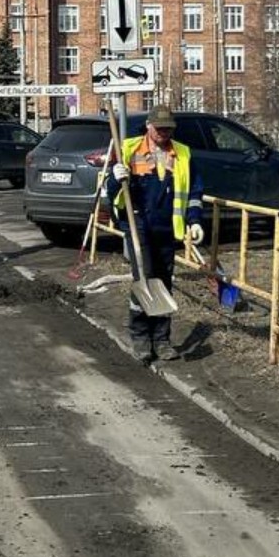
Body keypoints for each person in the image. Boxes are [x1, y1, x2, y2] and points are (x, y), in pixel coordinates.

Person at [108, 104, 204, 365]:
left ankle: (161, 339)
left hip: (166, 227)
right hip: (138, 222)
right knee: (145, 278)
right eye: (159, 128)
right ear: (149, 126)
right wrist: (116, 177)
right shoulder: (129, 149)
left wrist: (194, 220)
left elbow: (194, 191)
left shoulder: (182, 153)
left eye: (168, 129)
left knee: (163, 282)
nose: (163, 132)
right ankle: (140, 337)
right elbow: (110, 192)